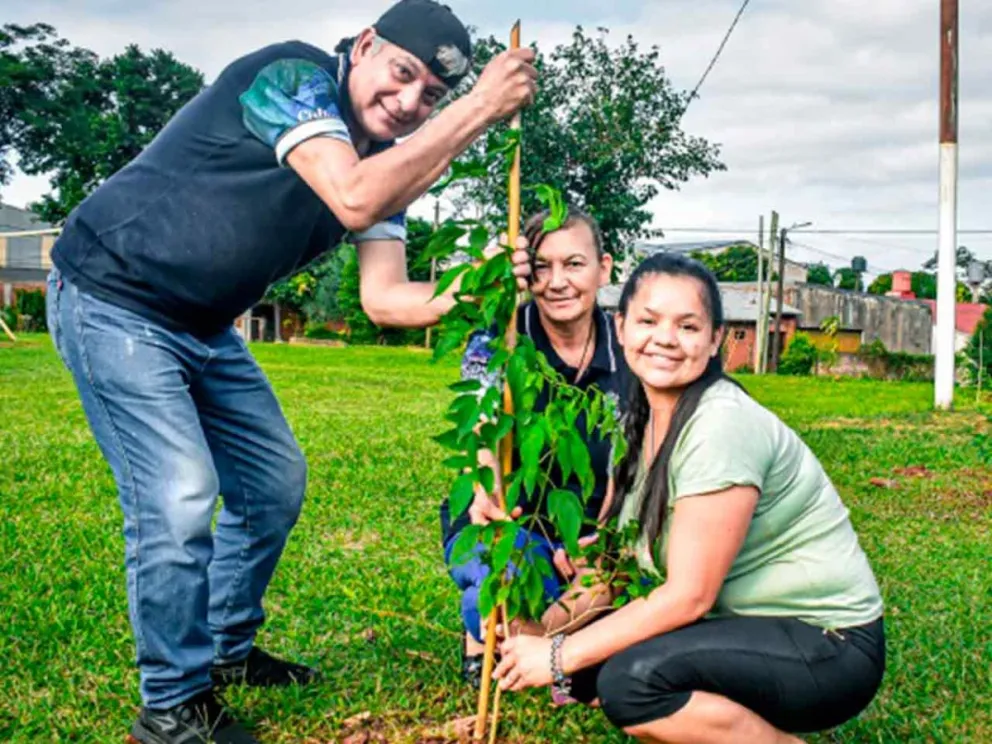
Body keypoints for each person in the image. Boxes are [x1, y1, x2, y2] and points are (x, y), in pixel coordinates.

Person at [44, 2, 537, 741]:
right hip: (113, 296)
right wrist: (479, 109)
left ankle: (224, 649)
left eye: (429, 96)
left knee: (273, 484)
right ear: (366, 45)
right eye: (402, 75)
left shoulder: (384, 159)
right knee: (180, 496)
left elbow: (386, 299)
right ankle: (173, 706)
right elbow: (353, 195)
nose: (408, 104)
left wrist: (483, 281)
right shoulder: (290, 79)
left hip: (204, 324)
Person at [492, 253, 886, 744]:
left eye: (688, 326)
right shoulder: (636, 423)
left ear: (716, 338)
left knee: (630, 683)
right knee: (587, 673)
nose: (664, 339)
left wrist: (553, 657)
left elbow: (689, 597)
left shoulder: (721, 424)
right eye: (648, 320)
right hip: (742, 628)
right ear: (620, 326)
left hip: (827, 644)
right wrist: (538, 631)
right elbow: (614, 573)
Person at [439, 206, 626, 689]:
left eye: (574, 264)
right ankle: (489, 634)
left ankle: (529, 633)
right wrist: (485, 485)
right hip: (510, 516)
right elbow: (480, 420)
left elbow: (638, 458)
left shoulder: (629, 345)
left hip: (591, 529)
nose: (557, 281)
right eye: (541, 266)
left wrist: (602, 541)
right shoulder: (502, 335)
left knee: (610, 591)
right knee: (500, 569)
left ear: (604, 268)